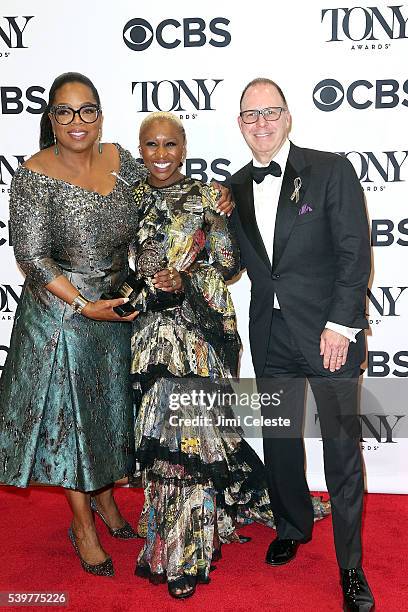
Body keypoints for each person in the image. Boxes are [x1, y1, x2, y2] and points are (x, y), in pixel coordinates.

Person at [0, 72, 234, 578]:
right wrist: (84, 306)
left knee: (107, 415)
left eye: (87, 110)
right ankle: (82, 524)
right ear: (51, 119)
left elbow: (160, 198)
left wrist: (214, 203)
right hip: (63, 315)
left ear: (100, 115)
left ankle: (106, 503)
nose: (77, 121)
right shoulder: (33, 175)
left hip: (117, 308)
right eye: (64, 111)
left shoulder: (121, 160)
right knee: (70, 425)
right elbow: (32, 257)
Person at [130, 111, 330, 600]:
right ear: (141, 150)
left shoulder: (208, 197)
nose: (161, 155)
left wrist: (187, 277)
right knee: (163, 445)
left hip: (197, 337)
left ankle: (183, 553)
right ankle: (170, 526)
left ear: (184, 147)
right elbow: (113, 265)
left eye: (170, 145)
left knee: (191, 441)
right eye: (151, 145)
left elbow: (228, 264)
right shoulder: (125, 200)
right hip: (147, 336)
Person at [229, 78, 374, 611]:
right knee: (281, 443)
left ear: (288, 118)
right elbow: (235, 263)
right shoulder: (236, 186)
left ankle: (351, 566)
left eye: (270, 113)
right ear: (240, 125)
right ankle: (291, 523)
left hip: (329, 335)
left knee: (341, 451)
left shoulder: (330, 170)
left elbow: (354, 252)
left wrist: (341, 325)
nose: (261, 123)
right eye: (250, 115)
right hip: (270, 335)